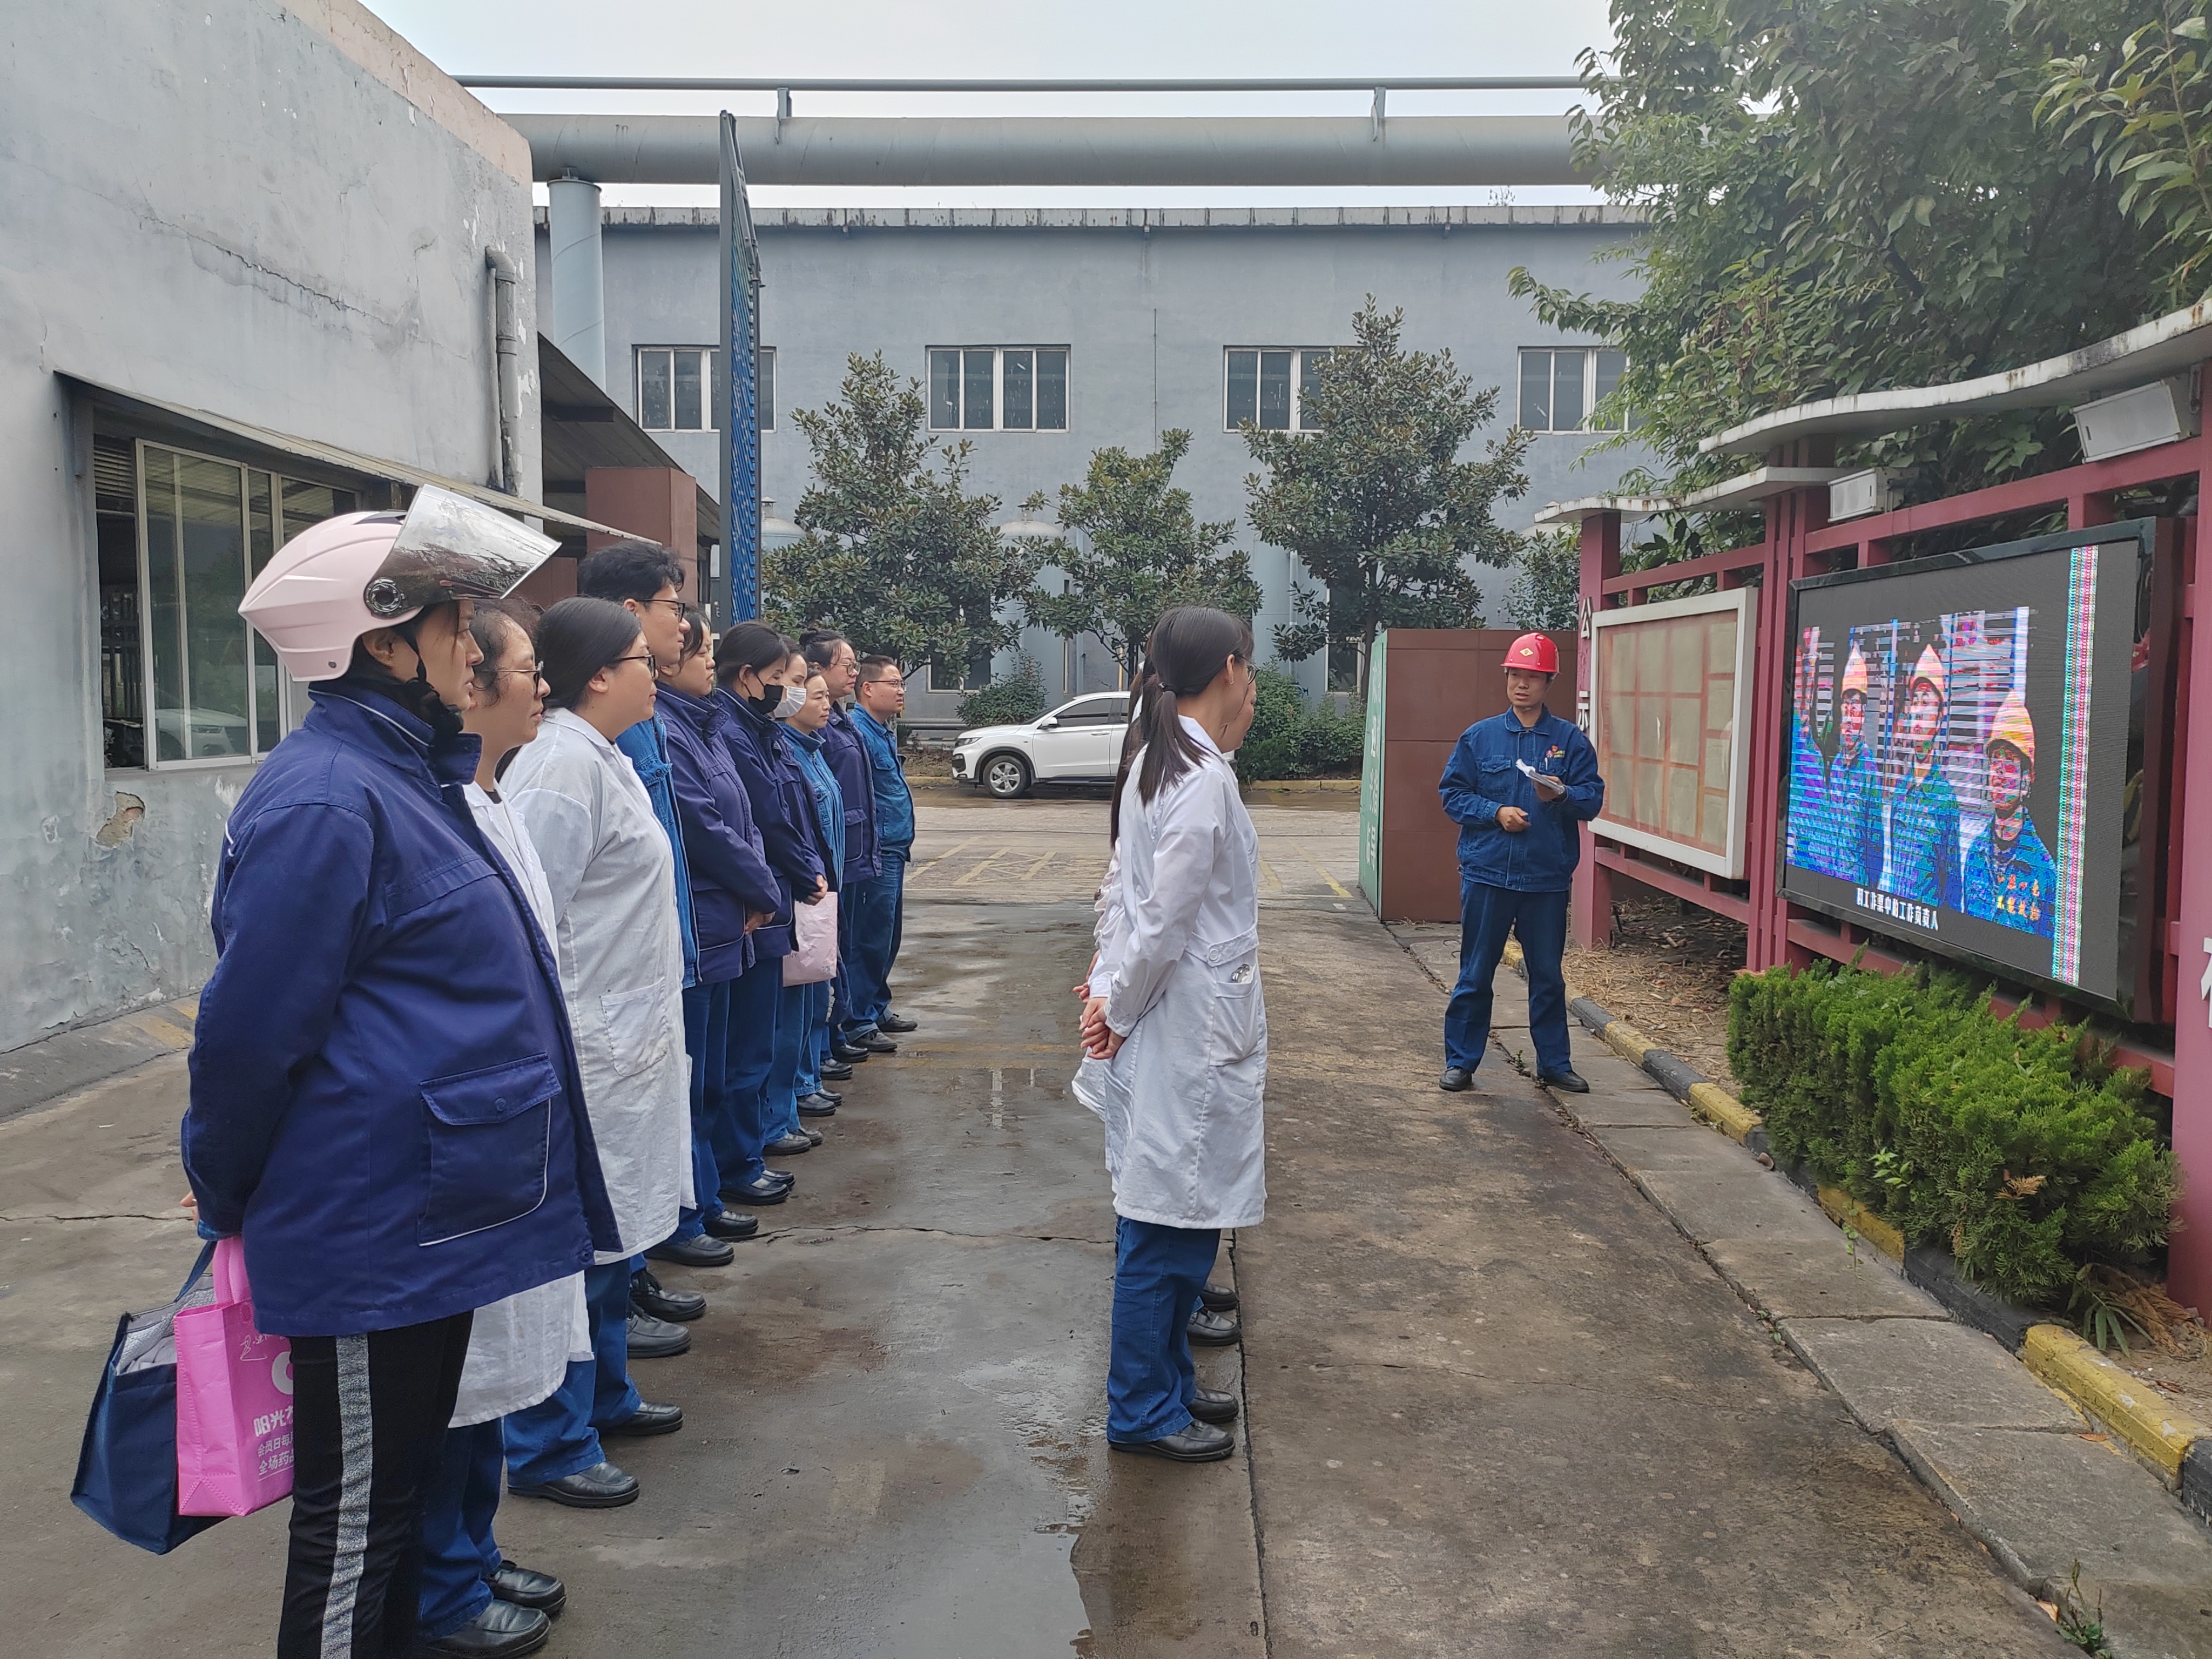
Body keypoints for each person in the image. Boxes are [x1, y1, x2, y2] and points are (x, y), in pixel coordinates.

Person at [188, 488, 618, 1658]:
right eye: (451, 623)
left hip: (422, 1216)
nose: (474, 645)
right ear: (382, 642)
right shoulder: (328, 799)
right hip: (367, 1220)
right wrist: (223, 1186)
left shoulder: (408, 778)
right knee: (356, 1531)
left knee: (391, 1504)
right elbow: (247, 1038)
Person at [417, 595, 588, 1659]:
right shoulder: (430, 807)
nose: (541, 686)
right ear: (471, 679)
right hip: (459, 1146)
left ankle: (473, 1553)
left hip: (513, 1132)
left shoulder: (494, 796)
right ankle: (440, 1588)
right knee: (455, 1382)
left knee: (493, 1373)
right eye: (527, 669)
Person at [501, 598, 693, 1510]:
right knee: (577, 1246)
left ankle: (605, 1397)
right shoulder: (555, 772)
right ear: (599, 675)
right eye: (639, 659)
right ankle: (548, 1439)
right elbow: (529, 923)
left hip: (626, 1042)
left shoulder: (602, 757)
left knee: (613, 1239)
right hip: (586, 1044)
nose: (656, 668)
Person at [1074, 607, 1264, 1466]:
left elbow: (1131, 894)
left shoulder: (1170, 756)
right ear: (1229, 668)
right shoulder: (1198, 776)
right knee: (1164, 1223)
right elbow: (1161, 919)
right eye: (1250, 670)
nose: (1253, 685)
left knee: (1185, 1220)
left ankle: (1170, 1382)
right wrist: (1113, 1005)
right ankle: (1142, 1408)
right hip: (1182, 1024)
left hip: (1180, 1018)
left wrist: (1110, 992)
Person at [574, 541, 731, 1289]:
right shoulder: (573, 755)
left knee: (653, 1128)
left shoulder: (629, 729)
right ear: (629, 613)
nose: (685, 627)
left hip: (661, 964)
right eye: (676, 608)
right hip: (614, 993)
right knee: (619, 1151)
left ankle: (637, 1271)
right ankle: (630, 1279)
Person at [658, 610, 786, 1238]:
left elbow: (749, 819)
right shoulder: (668, 729)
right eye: (698, 650)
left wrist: (760, 886)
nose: (708, 660)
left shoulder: (703, 725)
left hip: (727, 919)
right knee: (697, 1083)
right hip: (708, 924)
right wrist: (763, 887)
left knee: (712, 1076)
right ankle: (690, 1211)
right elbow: (704, 826)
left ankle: (704, 1198)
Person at [1435, 632, 1606, 1096]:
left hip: (1545, 879)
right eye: (1515, 675)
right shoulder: (1480, 737)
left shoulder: (1570, 741)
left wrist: (1564, 794)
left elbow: (1592, 800)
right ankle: (1461, 1062)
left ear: (1548, 681)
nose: (1522, 685)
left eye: (1532, 677)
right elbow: (1452, 794)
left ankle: (1554, 1063)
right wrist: (1495, 813)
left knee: (1547, 976)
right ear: (1507, 678)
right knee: (1475, 973)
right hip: (1488, 873)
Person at [713, 623, 827, 1202]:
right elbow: (753, 819)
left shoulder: (760, 730)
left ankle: (747, 1150)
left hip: (771, 896)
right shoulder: (730, 732)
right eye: (784, 680)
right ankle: (738, 1161)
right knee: (744, 1048)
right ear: (747, 677)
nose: (795, 691)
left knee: (764, 1036)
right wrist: (780, 882)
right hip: (755, 903)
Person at [800, 629, 879, 1090]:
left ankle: (836, 1033)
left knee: (844, 950)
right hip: (832, 860)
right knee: (825, 958)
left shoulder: (840, 720)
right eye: (845, 665)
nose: (852, 672)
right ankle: (826, 1043)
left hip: (850, 851)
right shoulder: (813, 731)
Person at [777, 662, 848, 1135]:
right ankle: (796, 1087)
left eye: (819, 692)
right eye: (803, 686)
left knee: (816, 987)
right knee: (796, 998)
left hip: (823, 885)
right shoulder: (782, 748)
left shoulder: (814, 749)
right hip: (802, 889)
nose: (818, 701)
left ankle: (806, 1075)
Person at [845, 655, 916, 1049]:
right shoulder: (859, 732)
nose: (901, 690)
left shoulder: (882, 731)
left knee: (889, 936)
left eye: (902, 683)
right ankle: (858, 1019)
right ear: (868, 689)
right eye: (893, 683)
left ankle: (876, 1005)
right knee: (870, 937)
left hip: (894, 847)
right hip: (877, 849)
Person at [1963, 690, 2056, 939]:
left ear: (2027, 779)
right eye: (1996, 762)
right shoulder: (1975, 854)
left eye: (2011, 763)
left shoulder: (2044, 870)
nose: (2000, 773)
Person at [1887, 643, 1964, 912]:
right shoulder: (1900, 793)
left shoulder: (1945, 800)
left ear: (1940, 719)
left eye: (1927, 703)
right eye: (1915, 702)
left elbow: (1952, 885)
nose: (1918, 712)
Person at [1813, 646, 1884, 887]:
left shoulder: (1869, 770)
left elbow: (1876, 840)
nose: (1850, 712)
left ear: (1864, 713)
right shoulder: (1835, 767)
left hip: (1856, 881)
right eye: (1846, 705)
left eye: (1856, 705)